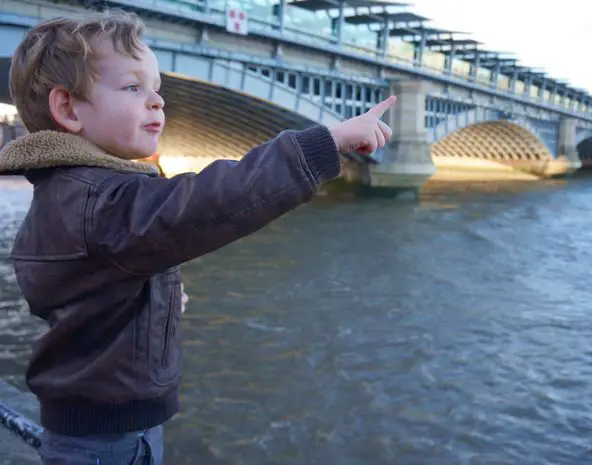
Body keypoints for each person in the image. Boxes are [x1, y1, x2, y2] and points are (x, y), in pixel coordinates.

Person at [0, 9, 395, 464]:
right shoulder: (107, 203)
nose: (157, 102)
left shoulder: (66, 195)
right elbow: (215, 201)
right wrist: (327, 141)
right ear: (68, 109)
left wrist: (152, 298)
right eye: (133, 88)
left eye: (157, 89)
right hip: (112, 442)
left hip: (94, 426)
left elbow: (73, 286)